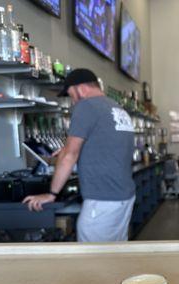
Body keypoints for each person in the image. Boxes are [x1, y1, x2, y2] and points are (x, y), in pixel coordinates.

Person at [23, 69, 136, 242]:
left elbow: (69, 155)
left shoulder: (87, 106)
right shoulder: (116, 108)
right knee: (113, 256)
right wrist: (74, 149)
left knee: (92, 261)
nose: (74, 101)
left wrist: (51, 194)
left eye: (71, 95)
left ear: (81, 89)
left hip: (102, 200)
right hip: (122, 197)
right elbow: (111, 147)